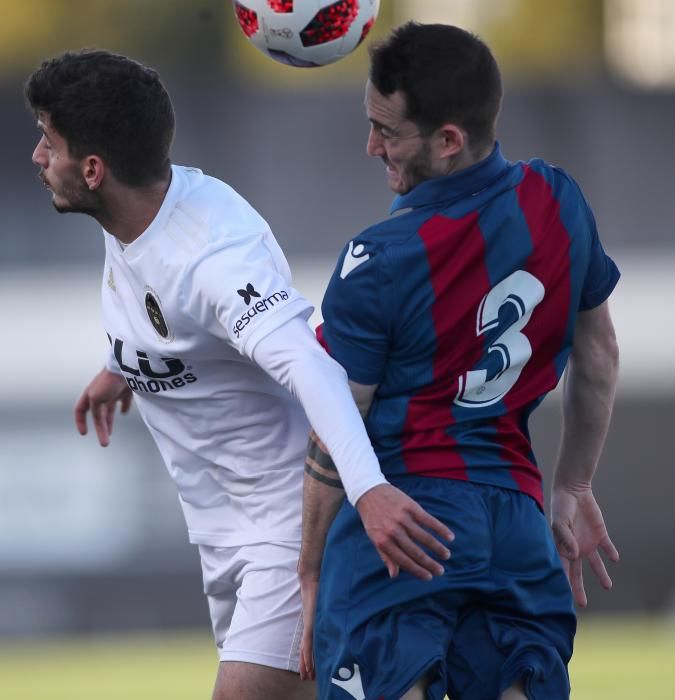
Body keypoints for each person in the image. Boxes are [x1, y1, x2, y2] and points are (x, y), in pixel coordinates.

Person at [25, 49, 454, 700]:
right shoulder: (132, 209)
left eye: (47, 143)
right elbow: (160, 303)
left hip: (285, 529)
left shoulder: (214, 257)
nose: (37, 158)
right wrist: (122, 365)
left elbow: (315, 367)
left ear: (92, 169)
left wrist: (367, 492)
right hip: (222, 533)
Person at [298, 22, 621, 700]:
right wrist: (573, 485)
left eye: (387, 131)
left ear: (448, 139)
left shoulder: (378, 258)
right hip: (515, 526)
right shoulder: (558, 200)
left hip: (405, 521)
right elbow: (598, 353)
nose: (371, 146)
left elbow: (336, 426)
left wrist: (308, 573)